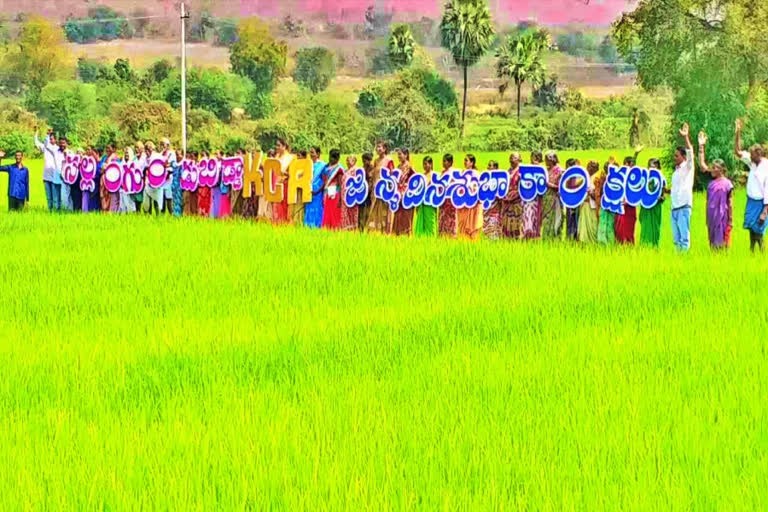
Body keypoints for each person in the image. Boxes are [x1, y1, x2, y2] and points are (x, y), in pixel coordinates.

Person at [734, 119, 768, 252]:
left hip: (761, 203)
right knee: (750, 228)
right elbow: (737, 152)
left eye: (753, 154)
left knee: (759, 229)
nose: (750, 157)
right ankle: (752, 251)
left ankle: (762, 252)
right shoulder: (752, 162)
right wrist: (738, 132)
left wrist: (765, 212)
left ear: (759, 154)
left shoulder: (766, 167)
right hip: (751, 200)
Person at [698, 131, 733, 249]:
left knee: (723, 242)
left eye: (715, 168)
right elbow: (702, 165)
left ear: (722, 170)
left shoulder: (727, 184)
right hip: (712, 215)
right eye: (712, 167)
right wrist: (701, 146)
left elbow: (730, 202)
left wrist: (731, 220)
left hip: (722, 216)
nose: (712, 170)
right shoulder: (712, 182)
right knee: (712, 241)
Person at [670, 122, 695, 251]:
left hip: (684, 207)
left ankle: (684, 261)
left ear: (683, 157)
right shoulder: (675, 172)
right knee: (676, 239)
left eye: (677, 156)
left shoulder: (688, 168)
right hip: (674, 208)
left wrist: (686, 137)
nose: (674, 158)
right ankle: (678, 262)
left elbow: (691, 153)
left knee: (684, 238)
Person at [368, 141, 395, 233]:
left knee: (384, 211)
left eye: (380, 147)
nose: (378, 149)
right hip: (375, 189)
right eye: (377, 147)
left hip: (384, 190)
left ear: (385, 149)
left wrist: (390, 189)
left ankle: (385, 230)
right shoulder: (376, 161)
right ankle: (375, 231)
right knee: (374, 210)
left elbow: (392, 175)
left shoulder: (389, 160)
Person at [638, 158, 666, 248]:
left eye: (655, 166)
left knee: (655, 227)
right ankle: (644, 246)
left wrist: (661, 198)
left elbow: (663, 193)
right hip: (645, 206)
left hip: (655, 207)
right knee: (645, 227)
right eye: (651, 166)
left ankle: (654, 246)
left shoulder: (661, 178)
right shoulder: (643, 178)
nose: (652, 168)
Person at [614, 152, 641, 245]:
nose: (629, 167)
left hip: (630, 206)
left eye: (631, 165)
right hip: (621, 206)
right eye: (627, 164)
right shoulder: (619, 176)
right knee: (620, 229)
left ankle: (629, 246)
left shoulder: (635, 178)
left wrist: (636, 154)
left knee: (629, 228)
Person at [456, 154, 483, 240]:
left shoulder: (477, 174)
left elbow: (479, 188)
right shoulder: (462, 173)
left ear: (472, 163)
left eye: (466, 160)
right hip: (463, 206)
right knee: (462, 226)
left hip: (473, 205)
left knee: (473, 224)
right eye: (464, 160)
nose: (464, 162)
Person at [34, 129, 61, 211]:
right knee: (49, 197)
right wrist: (36, 133)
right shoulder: (45, 147)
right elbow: (37, 143)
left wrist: (47, 136)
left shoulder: (57, 149)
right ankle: (50, 211)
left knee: (55, 197)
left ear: (55, 140)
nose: (50, 140)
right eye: (49, 139)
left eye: (52, 138)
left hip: (55, 176)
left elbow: (46, 145)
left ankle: (56, 212)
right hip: (46, 176)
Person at [391, 148, 415, 236]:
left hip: (406, 194)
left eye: (400, 154)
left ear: (406, 155)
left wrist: (407, 188)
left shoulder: (409, 166)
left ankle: (406, 233)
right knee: (398, 214)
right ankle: (398, 233)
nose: (399, 156)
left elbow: (415, 179)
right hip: (398, 194)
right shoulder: (398, 167)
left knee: (406, 214)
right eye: (398, 155)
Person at [540, 151, 564, 240]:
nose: (545, 162)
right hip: (546, 198)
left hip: (555, 199)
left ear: (552, 159)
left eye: (547, 160)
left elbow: (562, 187)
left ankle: (554, 239)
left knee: (555, 220)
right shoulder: (546, 170)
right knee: (546, 219)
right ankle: (546, 239)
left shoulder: (560, 171)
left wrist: (549, 185)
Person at [413, 156, 438, 237]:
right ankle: (422, 240)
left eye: (426, 164)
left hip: (430, 203)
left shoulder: (435, 175)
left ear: (430, 164)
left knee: (431, 222)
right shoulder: (422, 176)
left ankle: (432, 238)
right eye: (423, 164)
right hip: (422, 203)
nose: (424, 166)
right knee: (421, 222)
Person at [501, 152, 524, 239]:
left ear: (519, 159)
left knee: (516, 223)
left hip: (517, 202)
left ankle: (516, 239)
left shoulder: (521, 171)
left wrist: (514, 196)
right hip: (507, 201)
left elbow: (523, 187)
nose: (511, 159)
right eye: (510, 158)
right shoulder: (508, 172)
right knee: (506, 222)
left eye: (514, 158)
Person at [522, 150, 543, 240]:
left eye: (535, 157)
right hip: (527, 198)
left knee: (535, 216)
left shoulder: (541, 170)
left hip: (536, 199)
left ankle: (535, 236)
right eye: (532, 157)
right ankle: (526, 234)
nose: (533, 159)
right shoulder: (527, 169)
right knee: (526, 216)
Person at [321, 149, 344, 230]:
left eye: (334, 158)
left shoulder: (339, 169)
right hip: (327, 193)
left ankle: (335, 229)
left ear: (337, 158)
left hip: (335, 194)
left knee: (334, 212)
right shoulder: (327, 168)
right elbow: (323, 178)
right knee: (327, 212)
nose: (331, 159)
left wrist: (340, 200)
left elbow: (341, 185)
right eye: (330, 157)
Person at [577, 160, 599, 244]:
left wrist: (591, 193)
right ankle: (583, 241)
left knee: (592, 224)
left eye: (593, 167)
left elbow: (598, 194)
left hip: (592, 205)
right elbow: (575, 186)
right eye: (589, 166)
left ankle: (593, 242)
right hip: (584, 204)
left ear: (596, 169)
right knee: (583, 224)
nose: (590, 168)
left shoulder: (597, 179)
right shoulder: (583, 178)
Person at [271, 138, 292, 225]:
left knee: (283, 204)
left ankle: (284, 222)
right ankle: (277, 222)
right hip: (276, 183)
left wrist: (285, 174)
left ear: (284, 146)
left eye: (279, 145)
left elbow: (292, 173)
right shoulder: (277, 157)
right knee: (276, 204)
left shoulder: (290, 158)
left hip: (284, 183)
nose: (277, 147)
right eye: (276, 145)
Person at [304, 146, 325, 228]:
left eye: (313, 152)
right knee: (308, 207)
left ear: (318, 154)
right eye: (310, 152)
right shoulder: (308, 164)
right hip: (308, 189)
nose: (311, 154)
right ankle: (308, 225)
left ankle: (317, 225)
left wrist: (317, 191)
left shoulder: (322, 165)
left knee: (317, 208)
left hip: (317, 191)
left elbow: (324, 180)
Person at [596, 159, 616, 246]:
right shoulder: (601, 179)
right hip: (604, 205)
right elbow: (598, 193)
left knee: (610, 224)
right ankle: (602, 243)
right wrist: (600, 204)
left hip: (612, 206)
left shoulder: (615, 180)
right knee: (603, 224)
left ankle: (610, 243)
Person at [482, 160, 503, 240]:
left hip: (495, 209)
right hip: (486, 208)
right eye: (488, 165)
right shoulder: (485, 179)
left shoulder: (500, 180)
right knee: (486, 229)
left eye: (491, 166)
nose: (489, 167)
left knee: (494, 227)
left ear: (496, 168)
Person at [144, 142, 164, 214]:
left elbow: (161, 167)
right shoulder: (145, 158)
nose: (147, 152)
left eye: (148, 150)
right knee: (147, 199)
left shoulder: (157, 156)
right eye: (146, 150)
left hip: (156, 181)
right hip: (148, 181)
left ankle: (158, 215)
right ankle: (148, 215)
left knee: (156, 200)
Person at [564, 158, 581, 241]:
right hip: (569, 202)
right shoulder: (567, 177)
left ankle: (575, 238)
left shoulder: (579, 177)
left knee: (576, 220)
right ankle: (570, 238)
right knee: (570, 220)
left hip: (576, 202)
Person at [357, 152, 375, 232]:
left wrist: (368, 190)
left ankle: (367, 229)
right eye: (363, 161)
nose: (364, 162)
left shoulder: (372, 168)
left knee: (368, 211)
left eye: (365, 161)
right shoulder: (362, 168)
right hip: (362, 192)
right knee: (361, 211)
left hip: (369, 193)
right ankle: (360, 228)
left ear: (369, 160)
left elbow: (371, 180)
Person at [341, 155, 359, 231]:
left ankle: (353, 228)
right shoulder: (345, 170)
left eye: (349, 160)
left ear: (354, 161)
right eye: (347, 160)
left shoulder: (356, 170)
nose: (347, 162)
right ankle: (345, 227)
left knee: (352, 211)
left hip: (352, 195)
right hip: (343, 195)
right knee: (345, 211)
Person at [99, 144, 119, 212]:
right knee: (103, 195)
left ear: (113, 149)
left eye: (109, 148)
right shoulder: (104, 157)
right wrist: (102, 169)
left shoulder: (116, 158)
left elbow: (117, 169)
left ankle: (110, 211)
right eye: (106, 148)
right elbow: (99, 166)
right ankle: (104, 210)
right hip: (103, 179)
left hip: (111, 180)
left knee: (110, 196)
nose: (107, 150)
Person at [55, 137, 72, 211]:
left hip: (68, 178)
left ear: (66, 143)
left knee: (67, 196)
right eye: (60, 143)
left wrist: (66, 156)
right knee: (58, 197)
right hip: (57, 177)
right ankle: (61, 210)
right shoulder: (56, 152)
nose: (62, 144)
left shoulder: (70, 153)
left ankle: (68, 211)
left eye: (63, 143)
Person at [118, 147, 137, 213]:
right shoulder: (121, 164)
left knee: (131, 203)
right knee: (123, 204)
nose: (126, 155)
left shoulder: (134, 164)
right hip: (123, 187)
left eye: (128, 153)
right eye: (125, 153)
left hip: (131, 188)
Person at [161, 138, 176, 215]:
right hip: (161, 181)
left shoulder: (172, 154)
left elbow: (174, 166)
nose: (163, 146)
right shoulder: (160, 154)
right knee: (162, 198)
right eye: (162, 144)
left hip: (169, 180)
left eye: (164, 144)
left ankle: (171, 214)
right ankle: (162, 214)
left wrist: (169, 172)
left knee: (169, 198)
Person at [197, 150, 212, 217]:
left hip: (207, 186)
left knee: (206, 201)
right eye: (201, 156)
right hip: (201, 186)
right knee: (200, 201)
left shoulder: (211, 166)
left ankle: (206, 215)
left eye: (204, 155)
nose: (202, 157)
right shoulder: (199, 165)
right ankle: (200, 214)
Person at [171, 148, 184, 217]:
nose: (177, 156)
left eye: (179, 155)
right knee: (174, 200)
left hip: (180, 184)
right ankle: (175, 214)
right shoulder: (174, 164)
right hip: (174, 184)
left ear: (182, 155)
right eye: (176, 155)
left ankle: (179, 215)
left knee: (179, 200)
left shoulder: (183, 164)